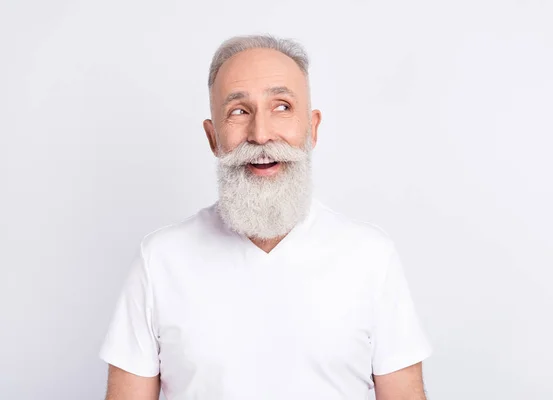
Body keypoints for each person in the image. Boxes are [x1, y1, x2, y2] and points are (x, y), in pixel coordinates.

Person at [99, 34, 433, 400]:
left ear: (312, 127)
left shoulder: (370, 256)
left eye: (282, 107)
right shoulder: (159, 260)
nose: (260, 135)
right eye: (239, 112)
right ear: (213, 138)